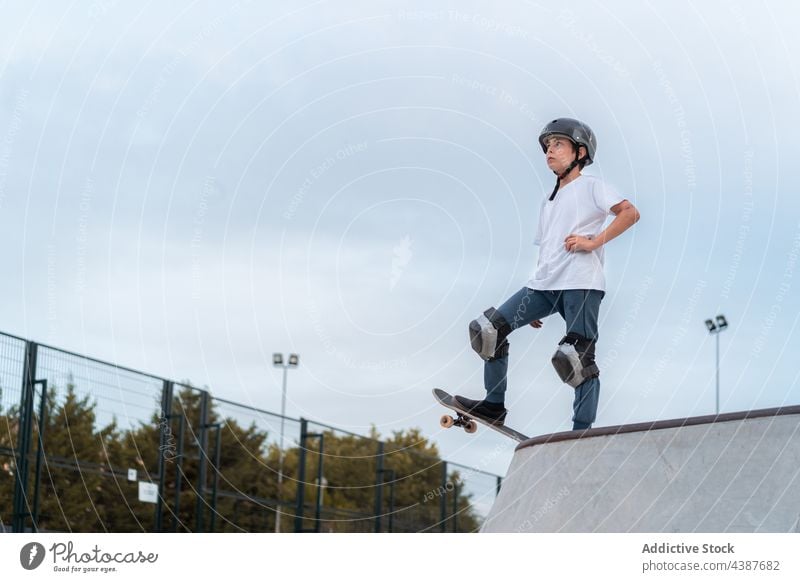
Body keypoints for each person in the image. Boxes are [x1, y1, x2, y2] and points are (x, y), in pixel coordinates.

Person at [456, 118, 640, 431]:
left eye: (558, 144)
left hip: (581, 283)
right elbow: (548, 251)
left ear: (580, 152)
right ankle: (493, 405)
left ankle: (582, 433)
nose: (549, 151)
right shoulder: (548, 200)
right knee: (488, 330)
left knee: (576, 358)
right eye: (547, 146)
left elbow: (630, 213)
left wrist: (594, 241)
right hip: (544, 285)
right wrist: (534, 299)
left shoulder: (593, 186)